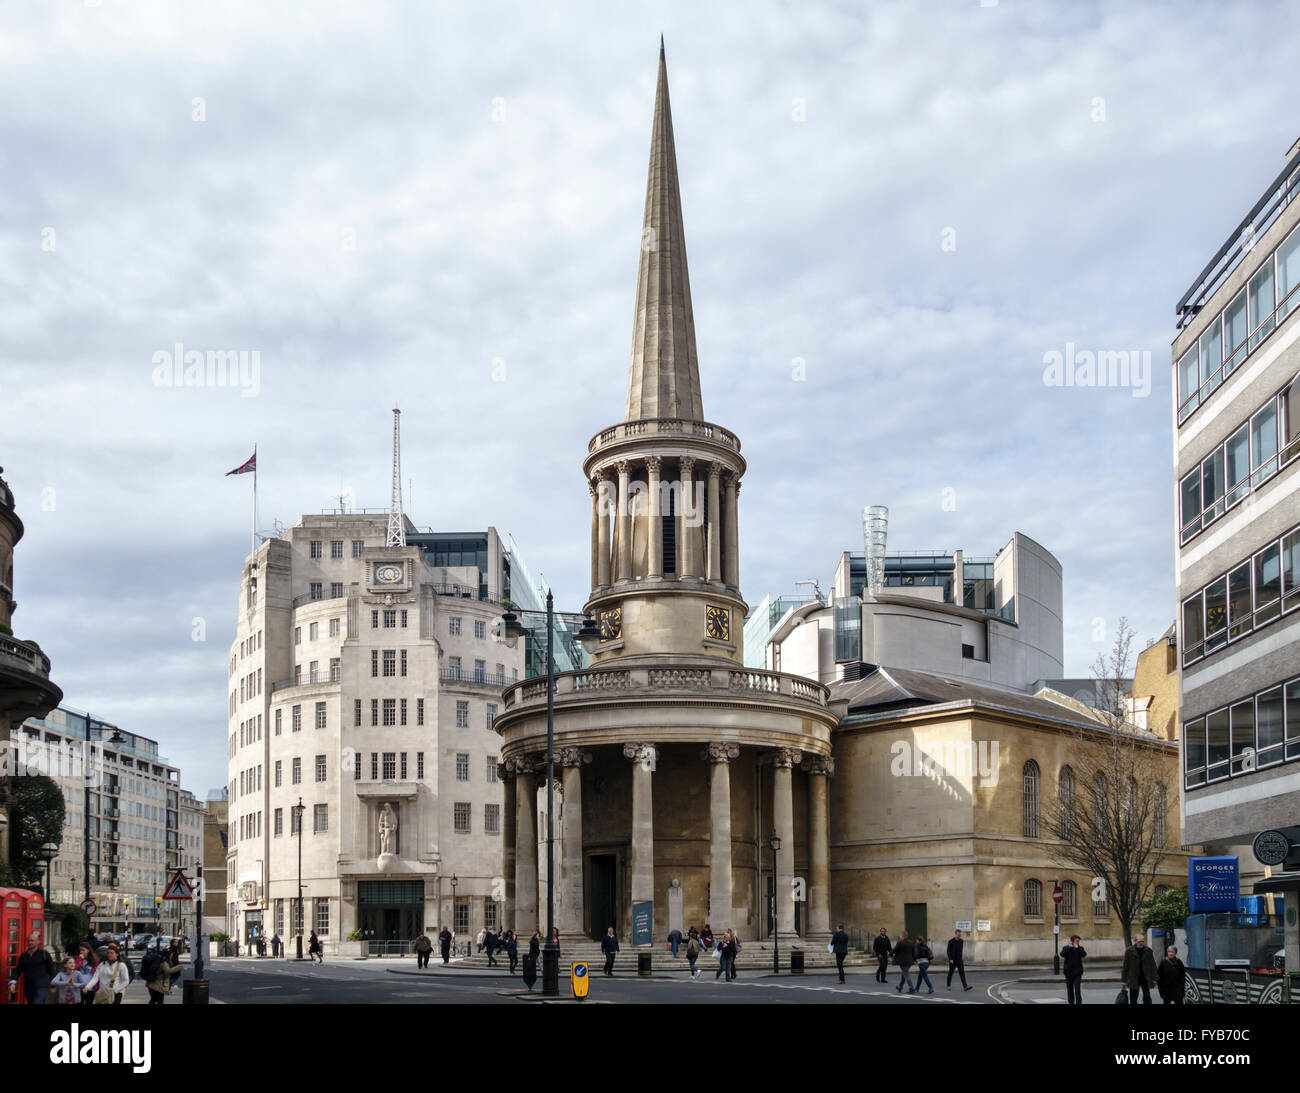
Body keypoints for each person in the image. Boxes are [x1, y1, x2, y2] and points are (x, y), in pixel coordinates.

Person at [8, 932, 55, 1004]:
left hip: (41, 986)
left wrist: (53, 985)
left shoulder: (44, 954)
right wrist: (13, 982)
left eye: (32, 940)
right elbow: (18, 970)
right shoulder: (24, 955)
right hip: (28, 986)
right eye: (29, 940)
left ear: (38, 942)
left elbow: (52, 970)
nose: (30, 942)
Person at [1121, 934, 1158, 1005]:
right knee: (1133, 997)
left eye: (1142, 941)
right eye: (1139, 941)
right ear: (1135, 941)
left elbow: (1152, 965)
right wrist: (1124, 980)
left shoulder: (1148, 950)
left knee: (1147, 996)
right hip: (1133, 977)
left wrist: (1154, 978)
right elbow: (1125, 966)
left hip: (1145, 977)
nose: (1141, 943)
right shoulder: (1129, 951)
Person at [1061, 935, 1087, 1005]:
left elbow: (1084, 955)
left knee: (1077, 990)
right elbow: (1062, 954)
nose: (1078, 942)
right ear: (1072, 941)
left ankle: (1079, 1002)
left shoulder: (1080, 948)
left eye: (1078, 941)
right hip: (1068, 973)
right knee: (1070, 990)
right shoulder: (1066, 948)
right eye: (1076, 941)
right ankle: (1071, 1002)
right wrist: (1069, 948)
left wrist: (1077, 948)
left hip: (1077, 973)